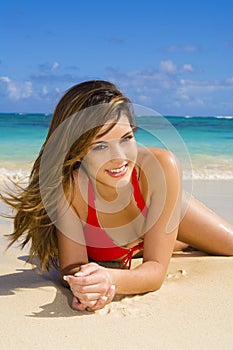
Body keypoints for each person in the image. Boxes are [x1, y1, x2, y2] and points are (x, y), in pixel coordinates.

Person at [2, 80, 233, 312]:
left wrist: (109, 279)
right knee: (161, 244)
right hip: (135, 237)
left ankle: (165, 240)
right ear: (76, 150)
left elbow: (155, 271)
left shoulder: (160, 168)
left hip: (157, 206)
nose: (119, 157)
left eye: (127, 138)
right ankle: (166, 242)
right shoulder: (71, 188)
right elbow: (72, 269)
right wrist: (88, 286)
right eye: (100, 146)